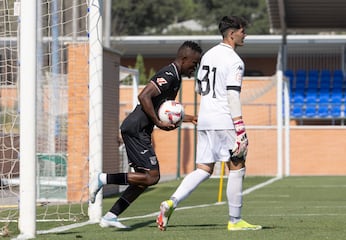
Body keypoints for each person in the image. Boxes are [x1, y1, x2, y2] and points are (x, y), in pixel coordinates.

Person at [156, 16, 262, 231]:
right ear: (232, 34)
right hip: (224, 119)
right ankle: (235, 220)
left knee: (204, 169)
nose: (245, 35)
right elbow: (232, 96)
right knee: (237, 166)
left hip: (205, 118)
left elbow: (198, 89)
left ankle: (171, 202)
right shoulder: (234, 61)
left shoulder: (208, 56)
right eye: (243, 31)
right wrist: (240, 128)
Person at [89, 41, 202, 228]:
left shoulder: (176, 77)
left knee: (141, 181)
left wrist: (189, 118)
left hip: (138, 130)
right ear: (184, 59)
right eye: (194, 63)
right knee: (152, 176)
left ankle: (110, 216)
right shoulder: (169, 74)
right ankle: (102, 179)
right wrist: (157, 123)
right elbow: (143, 96)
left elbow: (161, 108)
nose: (195, 68)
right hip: (136, 129)